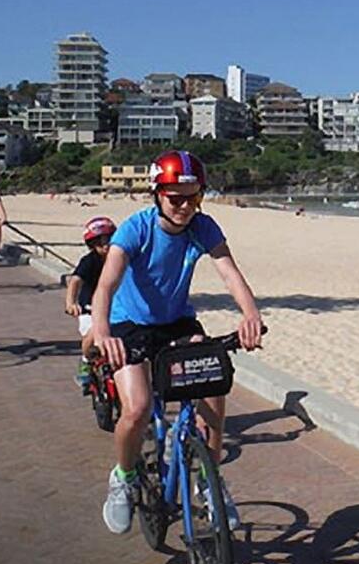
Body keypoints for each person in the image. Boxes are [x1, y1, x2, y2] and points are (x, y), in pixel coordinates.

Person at [91, 150, 263, 535]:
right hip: (129, 324)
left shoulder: (203, 228)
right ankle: (124, 477)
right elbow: (106, 284)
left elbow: (230, 274)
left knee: (213, 381)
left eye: (193, 196)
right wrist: (102, 331)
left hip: (176, 322)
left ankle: (209, 478)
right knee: (136, 409)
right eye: (175, 197)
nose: (185, 206)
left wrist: (251, 314)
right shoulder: (136, 229)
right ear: (158, 194)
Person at [65, 216, 116, 392]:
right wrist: (71, 302)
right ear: (92, 245)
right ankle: (85, 363)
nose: (106, 245)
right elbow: (75, 281)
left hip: (116, 308)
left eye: (110, 239)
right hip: (90, 309)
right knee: (92, 335)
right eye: (100, 242)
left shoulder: (120, 258)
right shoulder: (89, 261)